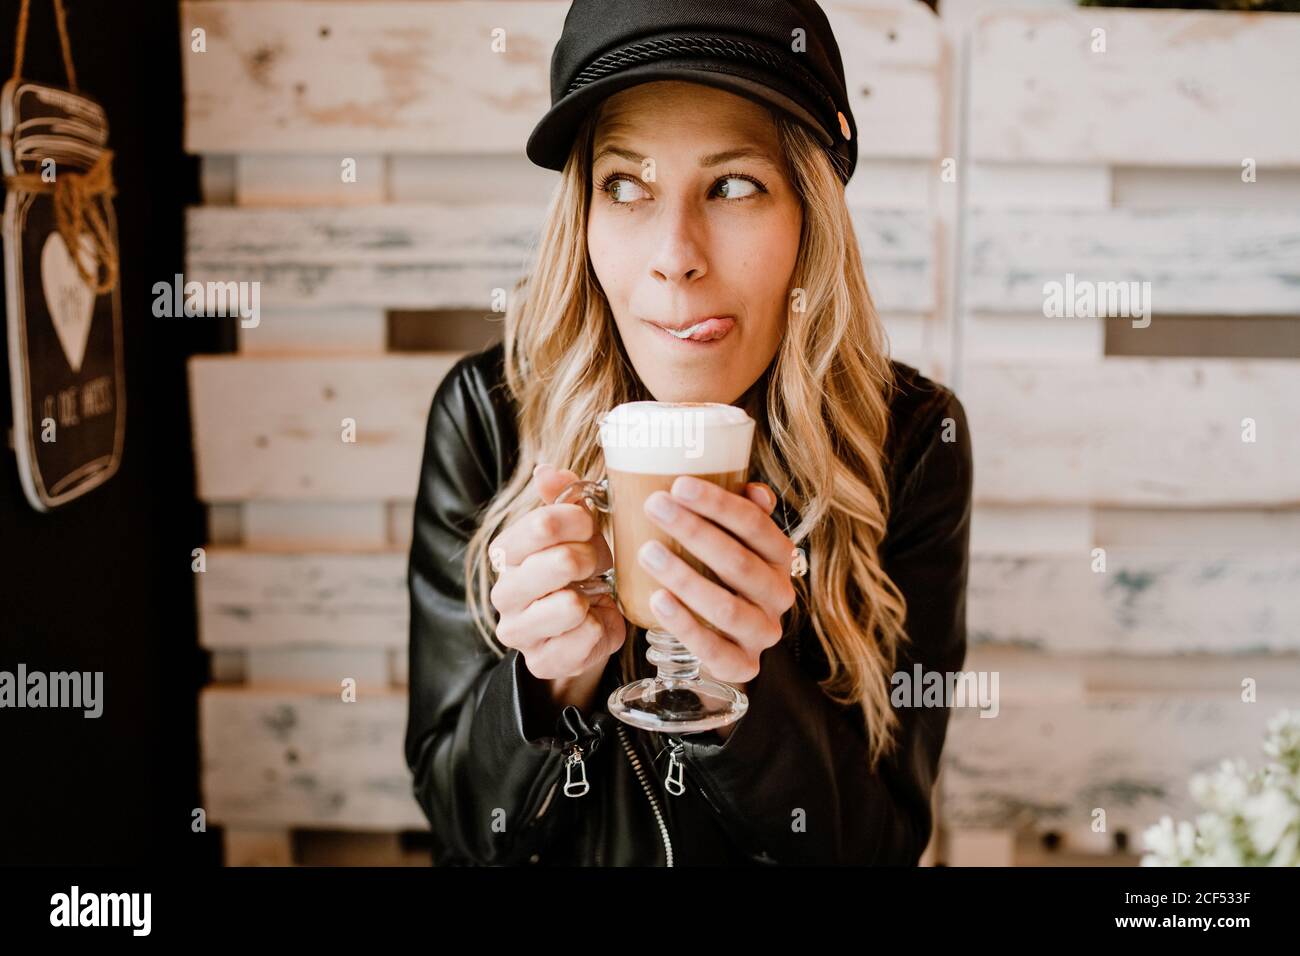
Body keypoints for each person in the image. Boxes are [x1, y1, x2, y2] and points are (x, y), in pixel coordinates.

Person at [404, 0, 973, 866]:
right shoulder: (485, 414)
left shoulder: (909, 441)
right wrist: (545, 685)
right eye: (625, 185)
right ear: (583, 220)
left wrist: (746, 686)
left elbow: (881, 844)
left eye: (735, 184)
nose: (676, 253)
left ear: (807, 222)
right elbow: (457, 823)